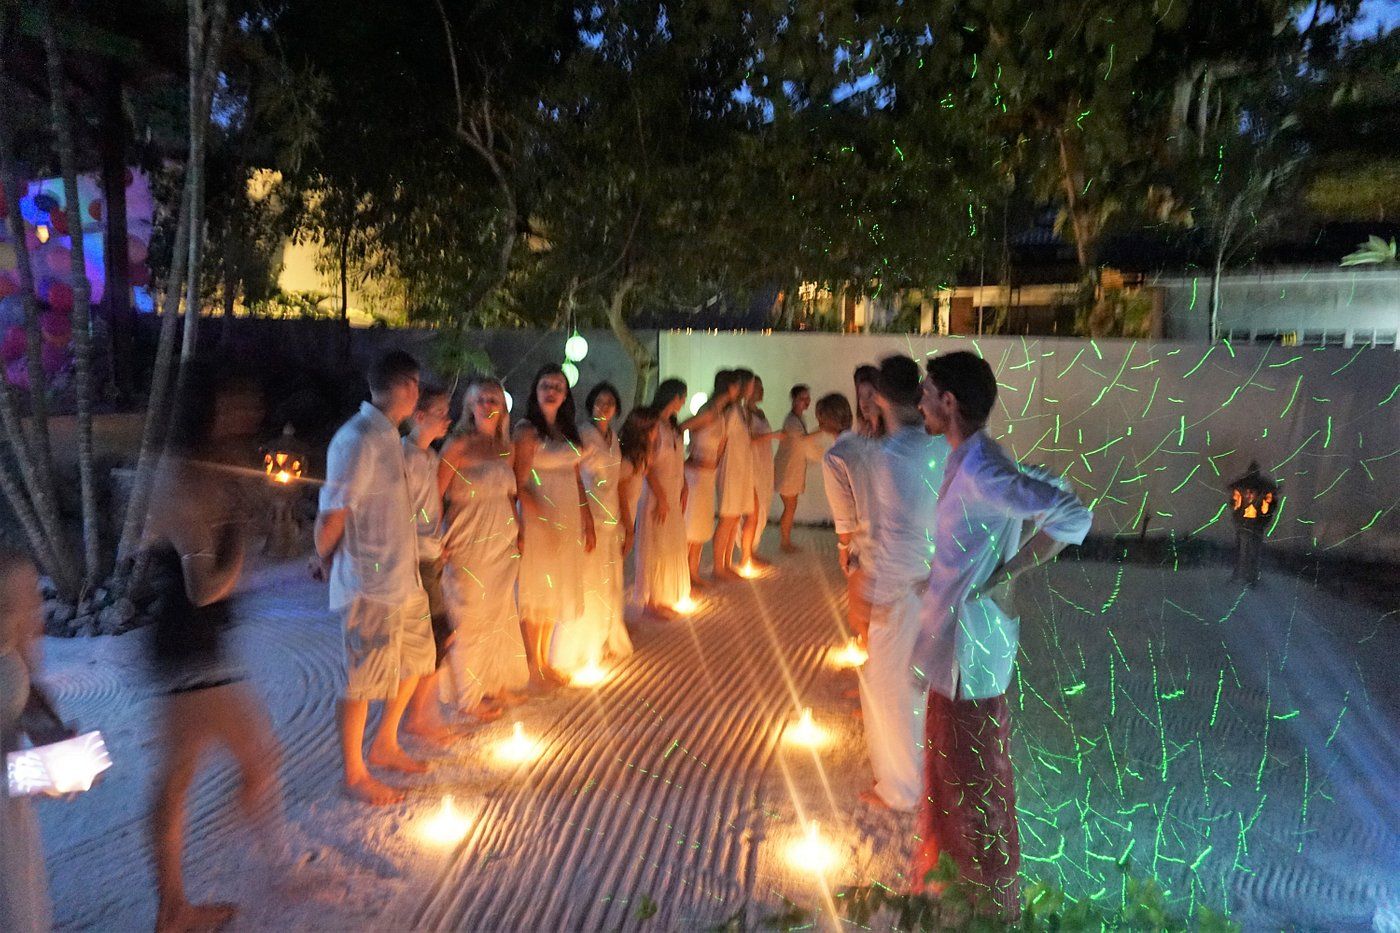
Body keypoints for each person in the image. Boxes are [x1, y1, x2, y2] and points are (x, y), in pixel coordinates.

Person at [912, 351, 1092, 917]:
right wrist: (946, 577)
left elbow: (1072, 514)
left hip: (972, 651)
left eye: (926, 392)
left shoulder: (982, 466)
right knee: (951, 776)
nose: (918, 402)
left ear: (949, 402)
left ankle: (992, 905)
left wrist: (1005, 575)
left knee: (975, 781)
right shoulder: (972, 458)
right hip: (956, 644)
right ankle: (954, 891)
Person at [142, 364, 283, 929]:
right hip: (192, 645)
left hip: (188, 645)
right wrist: (241, 546)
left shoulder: (194, 470)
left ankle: (177, 904)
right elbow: (204, 588)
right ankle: (260, 872)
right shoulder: (186, 478)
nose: (245, 413)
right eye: (233, 403)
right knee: (255, 759)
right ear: (207, 410)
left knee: (181, 776)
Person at [315, 350, 437, 806]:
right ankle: (353, 772)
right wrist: (324, 559)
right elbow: (333, 513)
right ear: (407, 386)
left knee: (418, 660)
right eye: (418, 386)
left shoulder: (388, 437)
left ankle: (385, 742)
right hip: (369, 583)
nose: (418, 394)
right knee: (363, 678)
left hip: (402, 580)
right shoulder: (358, 438)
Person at [859, 354, 950, 813]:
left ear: (878, 397)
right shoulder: (941, 448)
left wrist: (875, 596)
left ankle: (903, 789)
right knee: (922, 686)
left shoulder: (887, 457)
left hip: (902, 587)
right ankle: (927, 777)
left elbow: (888, 536)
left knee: (891, 689)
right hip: (939, 583)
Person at [438, 376, 526, 717]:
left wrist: (519, 532)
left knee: (500, 612)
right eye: (482, 400)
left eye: (494, 400)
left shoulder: (507, 447)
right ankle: (469, 696)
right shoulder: (457, 446)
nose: (488, 406)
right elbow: (435, 494)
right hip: (467, 540)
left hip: (502, 540)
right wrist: (433, 539)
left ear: (503, 406)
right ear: (469, 407)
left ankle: (496, 681)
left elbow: (511, 494)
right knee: (470, 614)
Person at [514, 364, 595, 687]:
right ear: (535, 390)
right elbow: (518, 481)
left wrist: (586, 517)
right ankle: (532, 665)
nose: (552, 391)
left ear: (566, 394)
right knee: (536, 590)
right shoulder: (526, 430)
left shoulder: (567, 430)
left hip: (567, 517)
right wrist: (539, 520)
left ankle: (545, 660)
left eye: (558, 386)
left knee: (554, 590)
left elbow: (577, 480)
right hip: (539, 517)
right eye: (546, 384)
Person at [402, 386, 456, 742]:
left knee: (440, 634)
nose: (447, 419)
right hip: (415, 557)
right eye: (441, 412)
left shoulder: (430, 457)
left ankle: (423, 711)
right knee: (437, 634)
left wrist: (440, 540)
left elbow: (430, 505)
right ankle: (417, 716)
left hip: (431, 552)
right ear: (419, 417)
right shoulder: (404, 457)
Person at [1, 549, 51, 933]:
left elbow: (26, 689)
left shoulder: (11, 567)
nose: (37, 609)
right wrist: (37, 772)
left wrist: (53, 740)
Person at [821, 366, 884, 652]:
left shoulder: (838, 455)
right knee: (871, 610)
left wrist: (843, 549)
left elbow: (843, 512)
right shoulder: (866, 441)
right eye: (860, 396)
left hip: (869, 540)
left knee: (862, 612)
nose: (865, 402)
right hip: (882, 537)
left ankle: (868, 678)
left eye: (870, 394)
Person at [579, 382, 633, 662]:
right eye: (599, 401)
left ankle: (608, 632)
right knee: (591, 578)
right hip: (590, 513)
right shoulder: (583, 434)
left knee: (611, 578)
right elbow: (575, 475)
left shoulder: (613, 437)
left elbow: (620, 480)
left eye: (609, 402)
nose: (604, 407)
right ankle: (587, 639)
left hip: (611, 514)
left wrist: (626, 518)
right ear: (591, 404)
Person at [630, 379, 691, 618]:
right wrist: (662, 498)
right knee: (655, 544)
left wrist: (684, 485)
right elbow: (647, 465)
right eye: (682, 396)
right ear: (674, 396)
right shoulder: (654, 425)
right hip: (657, 494)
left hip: (673, 491)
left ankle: (665, 595)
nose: (683, 402)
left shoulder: (672, 425)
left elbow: (678, 460)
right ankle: (651, 600)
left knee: (670, 543)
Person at [681, 371, 736, 587]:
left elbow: (721, 443)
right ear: (728, 387)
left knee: (702, 525)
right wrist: (686, 460)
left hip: (708, 475)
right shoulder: (709, 411)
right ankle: (685, 574)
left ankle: (693, 572)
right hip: (695, 474)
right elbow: (682, 426)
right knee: (691, 524)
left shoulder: (720, 414)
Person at [714, 369, 757, 578]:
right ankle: (718, 566)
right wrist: (714, 465)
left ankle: (727, 562)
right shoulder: (729, 412)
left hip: (742, 470)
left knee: (735, 517)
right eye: (747, 385)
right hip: (731, 469)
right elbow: (721, 441)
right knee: (727, 518)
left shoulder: (740, 410)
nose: (749, 389)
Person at [743, 375, 780, 566]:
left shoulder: (759, 412)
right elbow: (748, 439)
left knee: (762, 507)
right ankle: (746, 555)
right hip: (752, 467)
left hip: (764, 465)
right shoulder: (745, 413)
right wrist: (773, 435)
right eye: (757, 387)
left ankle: (752, 549)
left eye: (762, 386)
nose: (762, 390)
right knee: (753, 512)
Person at [772, 383, 813, 553]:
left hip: (793, 469)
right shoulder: (791, 421)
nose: (806, 401)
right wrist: (825, 428)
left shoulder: (798, 419)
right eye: (803, 398)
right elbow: (803, 439)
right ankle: (784, 542)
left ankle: (786, 541)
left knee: (791, 507)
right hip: (787, 470)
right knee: (789, 507)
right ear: (794, 399)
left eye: (807, 398)